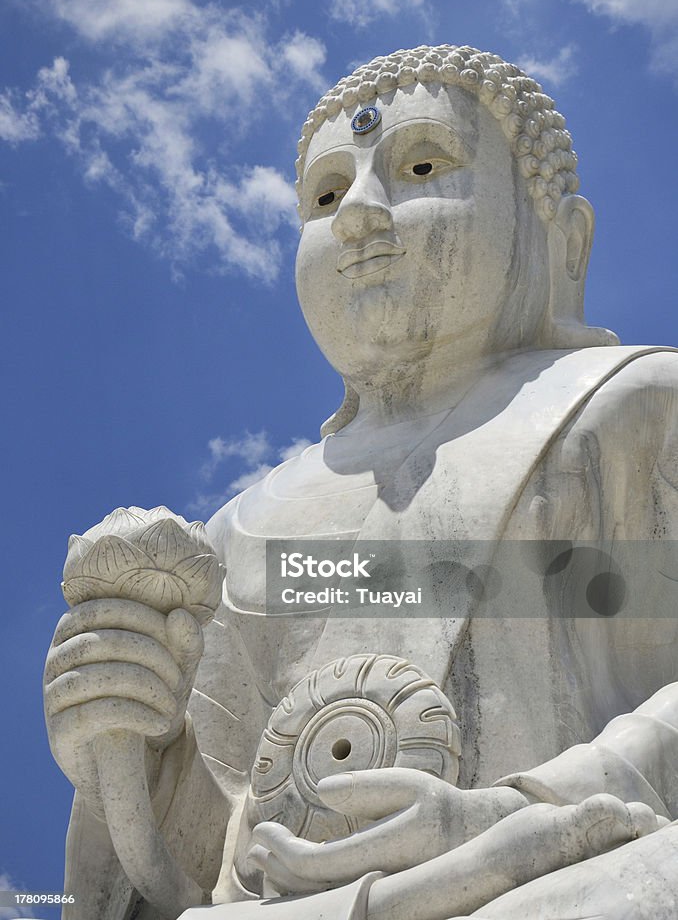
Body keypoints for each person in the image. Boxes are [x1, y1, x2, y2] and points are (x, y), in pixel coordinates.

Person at [45, 45, 678, 920]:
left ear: (558, 235)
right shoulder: (240, 530)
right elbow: (212, 861)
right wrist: (136, 753)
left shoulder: (629, 406)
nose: (359, 216)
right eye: (326, 195)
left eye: (422, 166)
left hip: (550, 868)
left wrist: (516, 811)